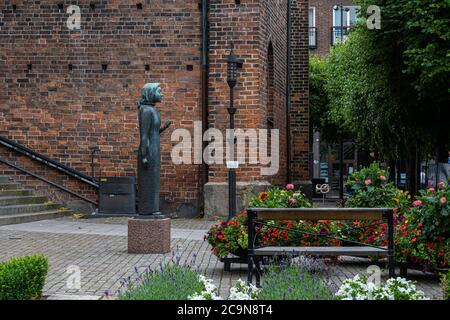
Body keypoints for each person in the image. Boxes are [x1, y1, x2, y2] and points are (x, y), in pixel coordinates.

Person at [138, 83, 172, 216]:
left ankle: (153, 209)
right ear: (151, 93)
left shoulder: (152, 110)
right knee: (149, 181)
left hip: (154, 149)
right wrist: (144, 156)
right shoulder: (145, 111)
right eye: (159, 91)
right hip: (149, 151)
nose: (162, 94)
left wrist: (163, 128)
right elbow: (144, 135)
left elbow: (153, 132)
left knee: (154, 180)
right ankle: (147, 210)